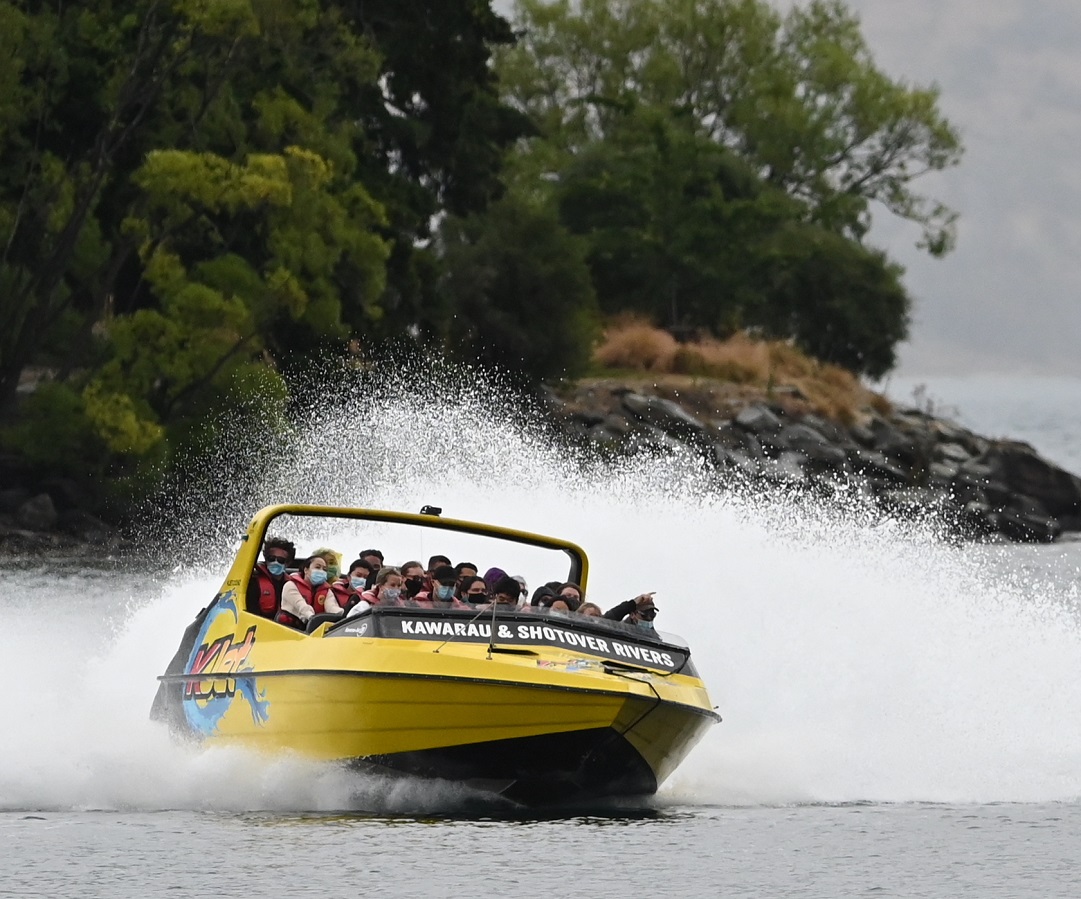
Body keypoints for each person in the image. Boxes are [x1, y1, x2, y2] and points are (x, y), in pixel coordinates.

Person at [278, 556, 341, 627]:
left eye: (324, 569)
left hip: (314, 629)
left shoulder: (327, 591)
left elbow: (331, 607)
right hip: (289, 628)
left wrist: (342, 615)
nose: (321, 571)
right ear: (306, 570)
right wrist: (311, 616)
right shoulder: (290, 585)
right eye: (317, 567)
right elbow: (301, 605)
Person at [246, 536, 295, 618]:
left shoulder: (291, 584)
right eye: (271, 558)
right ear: (265, 559)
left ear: (288, 563)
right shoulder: (253, 581)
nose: (275, 562)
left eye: (281, 560)